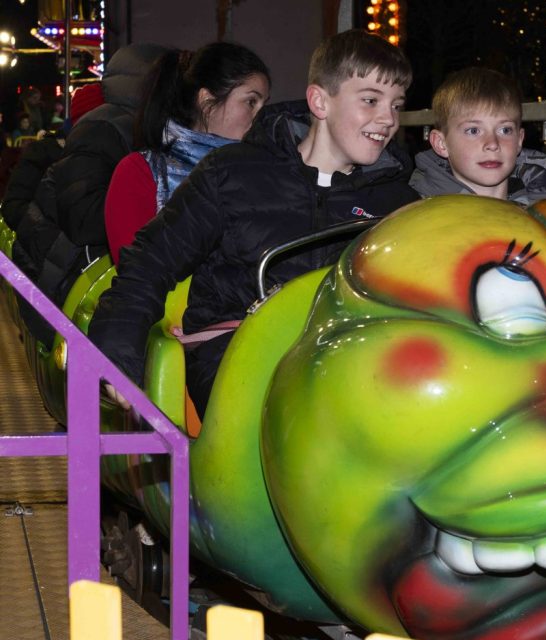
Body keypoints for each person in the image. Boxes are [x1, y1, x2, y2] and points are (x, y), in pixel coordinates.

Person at [88, 30, 419, 418]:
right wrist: (118, 351)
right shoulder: (233, 174)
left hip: (349, 362)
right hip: (237, 353)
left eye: (396, 105)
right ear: (319, 101)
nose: (388, 119)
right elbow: (151, 260)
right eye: (370, 100)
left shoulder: (397, 203)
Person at [10, 43, 168, 346]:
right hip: (65, 278)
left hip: (62, 271)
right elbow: (78, 219)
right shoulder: (97, 137)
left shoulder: (131, 136)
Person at [105, 43, 271, 265]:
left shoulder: (265, 169)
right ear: (206, 101)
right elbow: (134, 272)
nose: (261, 116)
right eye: (251, 101)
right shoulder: (140, 172)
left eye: (263, 104)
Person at [409, 66, 546, 205]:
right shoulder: (418, 214)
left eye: (505, 130)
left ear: (519, 140)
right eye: (473, 131)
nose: (492, 144)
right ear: (441, 143)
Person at [1, 84, 104, 234]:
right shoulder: (44, 152)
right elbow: (15, 205)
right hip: (45, 250)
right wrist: (51, 238)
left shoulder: (112, 154)